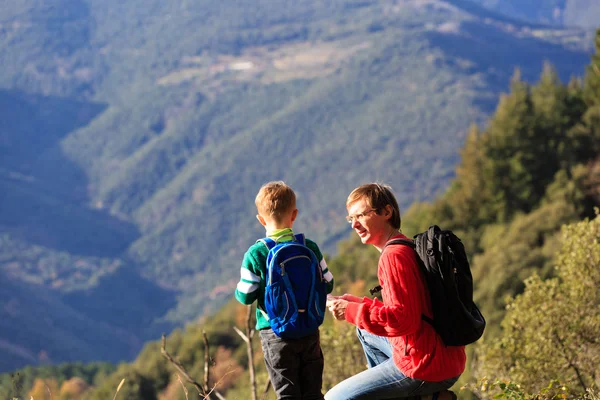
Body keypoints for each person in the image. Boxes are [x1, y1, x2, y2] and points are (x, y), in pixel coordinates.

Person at [325, 183, 465, 400]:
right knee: (364, 330)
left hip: (425, 366)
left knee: (335, 398)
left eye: (361, 215)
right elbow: (411, 310)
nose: (354, 225)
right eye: (350, 219)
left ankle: (424, 395)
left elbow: (402, 320)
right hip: (444, 357)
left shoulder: (393, 257)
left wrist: (351, 311)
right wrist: (357, 305)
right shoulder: (406, 246)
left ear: (387, 212)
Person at [235, 181, 335, 400]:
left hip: (276, 334)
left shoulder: (256, 254)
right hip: (309, 329)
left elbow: (245, 296)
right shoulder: (309, 247)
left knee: (287, 394)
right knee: (312, 392)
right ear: (295, 214)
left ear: (260, 220)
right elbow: (328, 283)